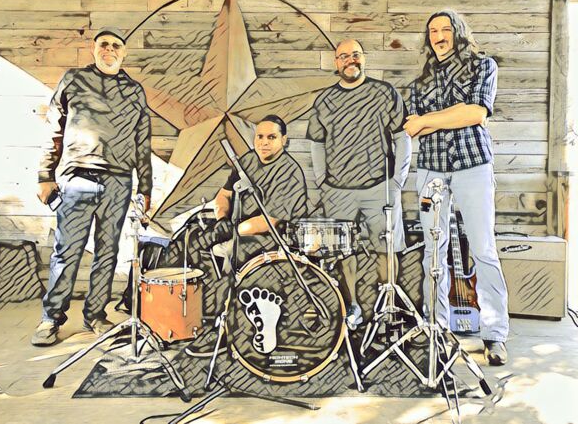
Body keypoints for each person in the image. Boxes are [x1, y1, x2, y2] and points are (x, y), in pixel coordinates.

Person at [32, 26, 153, 346]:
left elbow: (143, 141)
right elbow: (53, 127)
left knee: (107, 253)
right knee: (66, 252)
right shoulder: (74, 79)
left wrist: (146, 189)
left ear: (124, 53)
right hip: (77, 178)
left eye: (115, 45)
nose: (109, 49)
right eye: (103, 44)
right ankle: (51, 318)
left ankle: (96, 315)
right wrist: (45, 175)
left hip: (119, 181)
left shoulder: (134, 91)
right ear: (94, 49)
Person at [404, 10, 509, 365]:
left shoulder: (483, 66)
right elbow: (412, 128)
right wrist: (451, 115)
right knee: (433, 252)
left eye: (445, 29)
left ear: (458, 32)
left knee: (483, 249)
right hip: (431, 170)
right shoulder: (419, 82)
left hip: (473, 165)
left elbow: (476, 113)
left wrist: (430, 119)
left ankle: (494, 335)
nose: (439, 35)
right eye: (433, 30)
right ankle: (436, 329)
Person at [169, 115, 307, 356]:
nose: (264, 142)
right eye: (260, 137)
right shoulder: (246, 162)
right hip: (237, 229)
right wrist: (222, 219)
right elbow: (223, 196)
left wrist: (232, 231)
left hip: (273, 238)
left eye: (271, 137)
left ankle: (222, 330)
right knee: (189, 240)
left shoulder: (290, 171)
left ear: (284, 140)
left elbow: (269, 220)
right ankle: (188, 319)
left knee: (233, 251)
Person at [306, 39, 411, 330]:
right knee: (343, 252)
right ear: (336, 63)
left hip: (380, 187)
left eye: (355, 55)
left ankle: (388, 311)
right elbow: (316, 142)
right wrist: (322, 181)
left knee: (386, 249)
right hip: (338, 191)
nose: (350, 60)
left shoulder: (385, 92)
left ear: (364, 58)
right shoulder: (325, 100)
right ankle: (351, 308)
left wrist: (398, 180)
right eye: (343, 56)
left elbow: (402, 137)